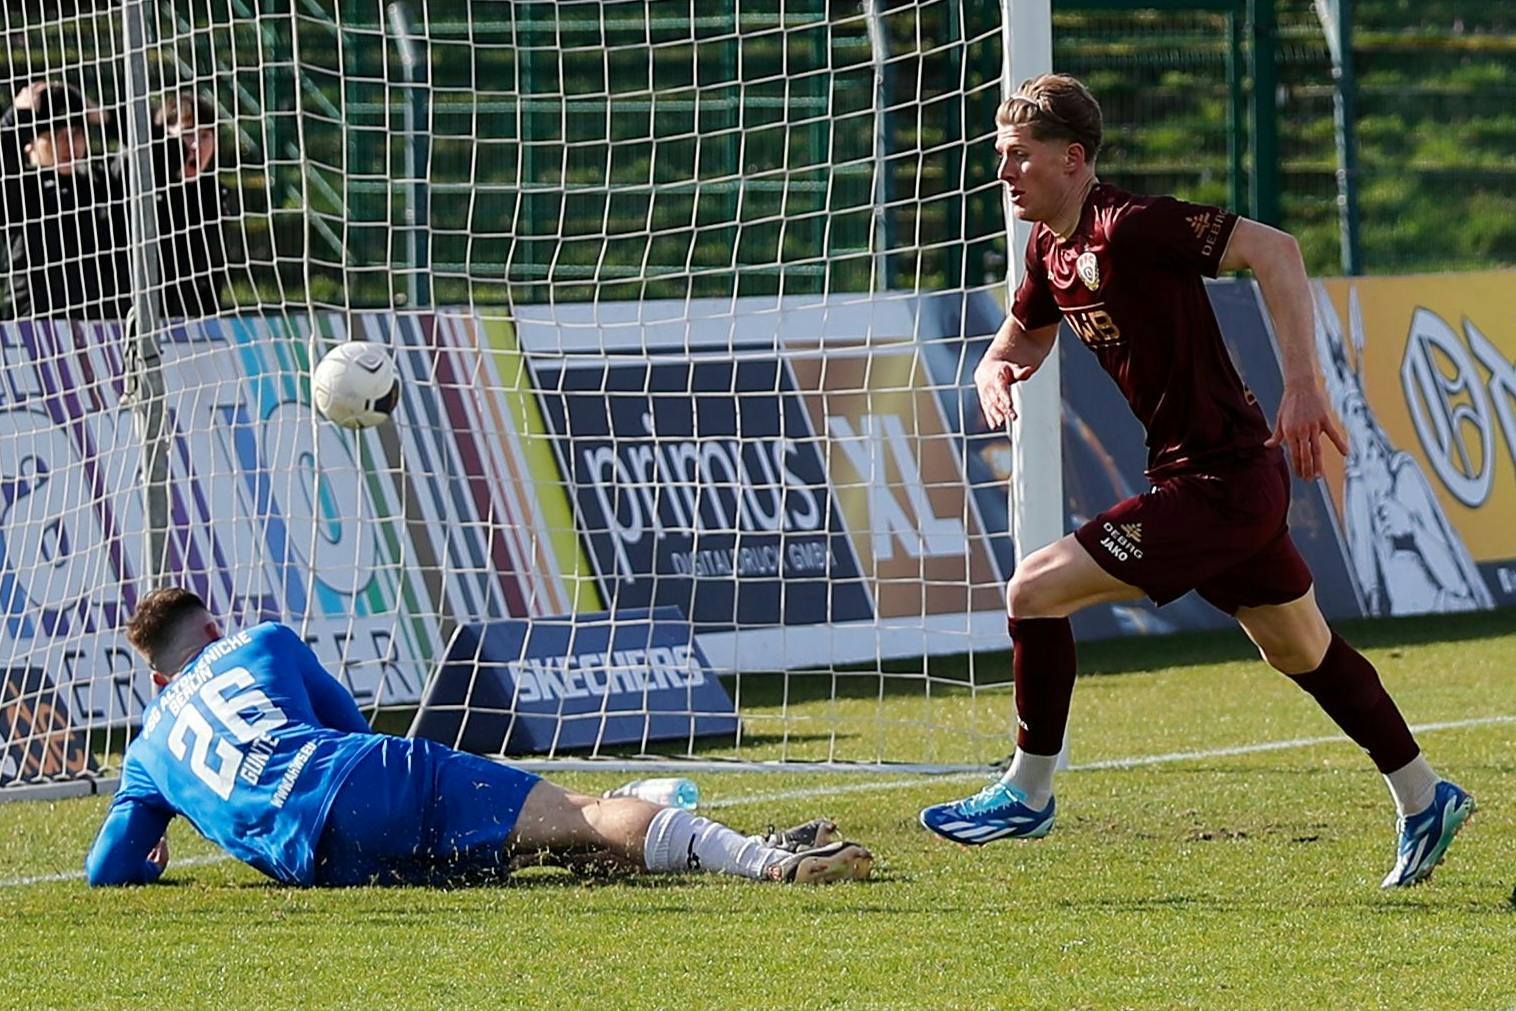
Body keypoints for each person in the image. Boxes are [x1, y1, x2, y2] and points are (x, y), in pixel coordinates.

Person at [917, 74, 1474, 889]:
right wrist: (992, 373)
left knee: (1033, 589)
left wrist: (1304, 383)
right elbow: (1018, 342)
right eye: (1000, 158)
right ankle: (1426, 795)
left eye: (1018, 158)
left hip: (1219, 484)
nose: (1004, 174)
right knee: (1300, 648)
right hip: (1221, 482)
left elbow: (1274, 249)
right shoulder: (1049, 252)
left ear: (1072, 160)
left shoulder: (1133, 226)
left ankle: (1028, 792)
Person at [86, 587, 873, 888]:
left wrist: (155, 845)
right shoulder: (261, 641)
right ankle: (766, 859)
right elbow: (356, 733)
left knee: (554, 851)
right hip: (362, 781)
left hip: (321, 866)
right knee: (574, 819)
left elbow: (106, 870)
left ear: (157, 677)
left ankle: (692, 832)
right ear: (213, 628)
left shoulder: (148, 747)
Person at [0, 81, 129, 320]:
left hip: (104, 334)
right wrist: (15, 118)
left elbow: (158, 154)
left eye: (76, 133)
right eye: (56, 135)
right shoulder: (21, 189)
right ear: (30, 144)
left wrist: (105, 116)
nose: (69, 144)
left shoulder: (103, 181)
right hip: (37, 335)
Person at [146, 91, 228, 319]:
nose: (195, 146)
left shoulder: (214, 194)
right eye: (187, 134)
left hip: (196, 327)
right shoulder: (143, 190)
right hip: (146, 320)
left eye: (204, 136)